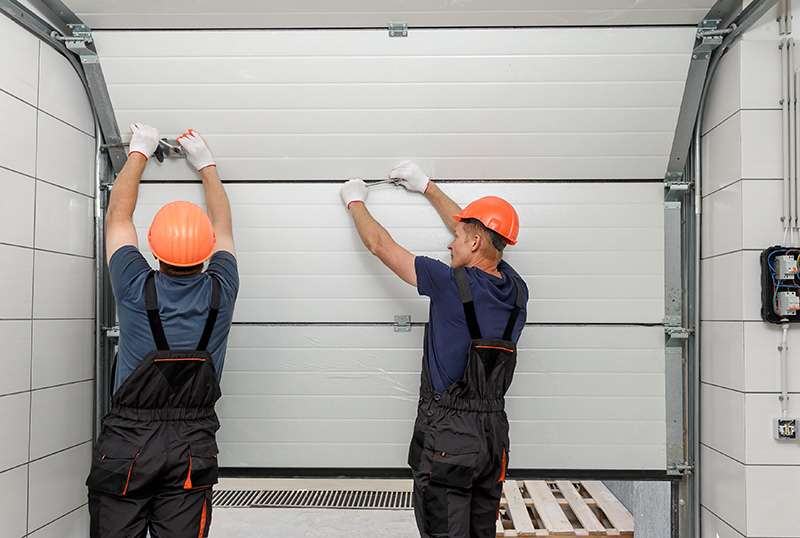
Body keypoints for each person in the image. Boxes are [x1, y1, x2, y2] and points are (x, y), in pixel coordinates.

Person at [340, 161, 529, 537]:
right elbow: (481, 235)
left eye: (457, 238)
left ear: (474, 244)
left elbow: (379, 245)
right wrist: (427, 187)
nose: (449, 242)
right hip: (493, 437)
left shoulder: (447, 283)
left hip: (449, 436)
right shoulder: (516, 289)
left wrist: (354, 201)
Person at [86, 124, 239, 537]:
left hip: (128, 442)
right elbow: (224, 226)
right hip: (192, 444)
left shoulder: (135, 285)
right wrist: (206, 164)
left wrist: (139, 151)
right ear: (207, 250)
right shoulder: (222, 290)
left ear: (153, 249)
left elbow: (118, 216)